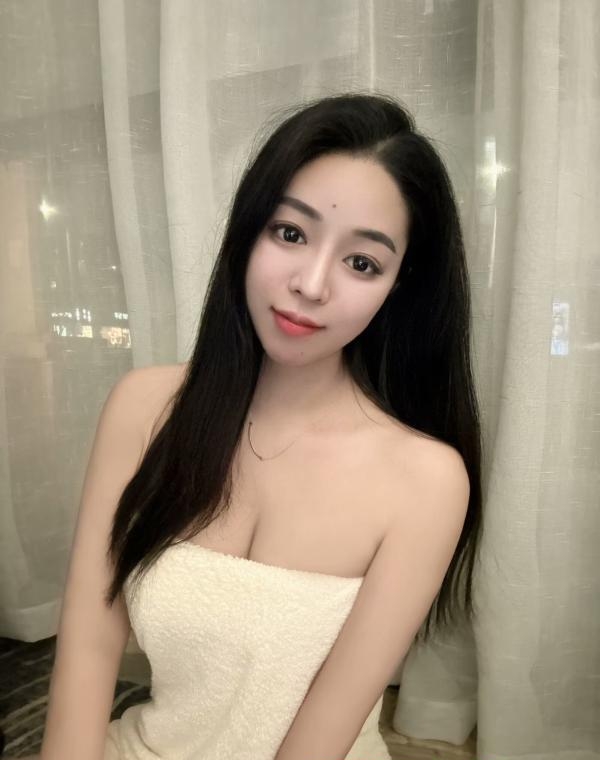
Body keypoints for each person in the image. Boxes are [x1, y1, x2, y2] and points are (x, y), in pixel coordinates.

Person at [35, 91, 482, 760]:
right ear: (248, 232)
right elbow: (91, 648)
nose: (311, 284)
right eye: (291, 233)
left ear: (398, 286)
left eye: (362, 262)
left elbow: (320, 738)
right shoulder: (144, 409)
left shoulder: (426, 480)